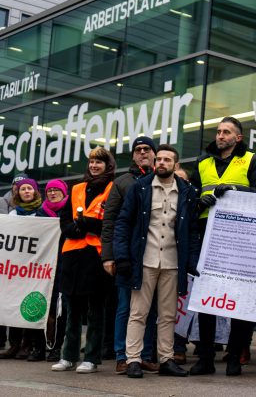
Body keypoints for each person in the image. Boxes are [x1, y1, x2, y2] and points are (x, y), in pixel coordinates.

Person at [189, 116, 256, 376]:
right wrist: (198, 204)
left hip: (240, 238)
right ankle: (205, 358)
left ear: (238, 138)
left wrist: (234, 189)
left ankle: (235, 356)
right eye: (218, 131)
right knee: (206, 300)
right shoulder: (202, 163)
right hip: (207, 236)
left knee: (239, 300)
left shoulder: (252, 160)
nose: (220, 135)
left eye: (227, 132)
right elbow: (189, 197)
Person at [113, 144, 199, 379]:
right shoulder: (139, 187)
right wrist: (121, 256)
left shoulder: (187, 192)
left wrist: (192, 261)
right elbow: (123, 222)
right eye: (158, 159)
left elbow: (191, 231)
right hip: (144, 260)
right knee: (138, 312)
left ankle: (166, 359)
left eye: (167, 160)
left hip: (173, 262)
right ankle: (133, 359)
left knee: (168, 315)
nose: (161, 163)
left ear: (175, 165)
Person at [51, 147, 116, 374]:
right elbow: (66, 223)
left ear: (108, 165)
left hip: (96, 255)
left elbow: (108, 223)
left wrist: (86, 223)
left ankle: (91, 358)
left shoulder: (112, 188)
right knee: (72, 309)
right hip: (72, 254)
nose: (94, 165)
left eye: (99, 162)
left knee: (95, 310)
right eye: (91, 162)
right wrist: (82, 226)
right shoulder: (76, 188)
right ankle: (68, 356)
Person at [101, 136, 158, 375]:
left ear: (155, 154)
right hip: (128, 256)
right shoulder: (122, 182)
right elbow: (110, 220)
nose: (142, 152)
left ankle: (145, 355)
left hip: (156, 253)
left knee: (152, 308)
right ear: (133, 155)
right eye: (138, 150)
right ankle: (122, 356)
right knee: (126, 306)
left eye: (147, 149)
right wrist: (108, 256)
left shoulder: (163, 180)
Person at [2, 178, 43, 361]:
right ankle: (15, 344)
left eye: (29, 189)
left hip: (34, 267)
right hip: (16, 268)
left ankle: (28, 345)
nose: (26, 191)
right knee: (14, 304)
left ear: (35, 192)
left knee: (30, 305)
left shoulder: (42, 214)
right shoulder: (11, 215)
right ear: (17, 193)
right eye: (22, 189)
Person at [36, 179, 69, 363]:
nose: (53, 193)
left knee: (59, 310)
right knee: (41, 306)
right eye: (50, 190)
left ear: (64, 193)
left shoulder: (68, 211)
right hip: (42, 266)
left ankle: (56, 348)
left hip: (63, 264)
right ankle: (39, 347)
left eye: (57, 190)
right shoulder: (40, 213)